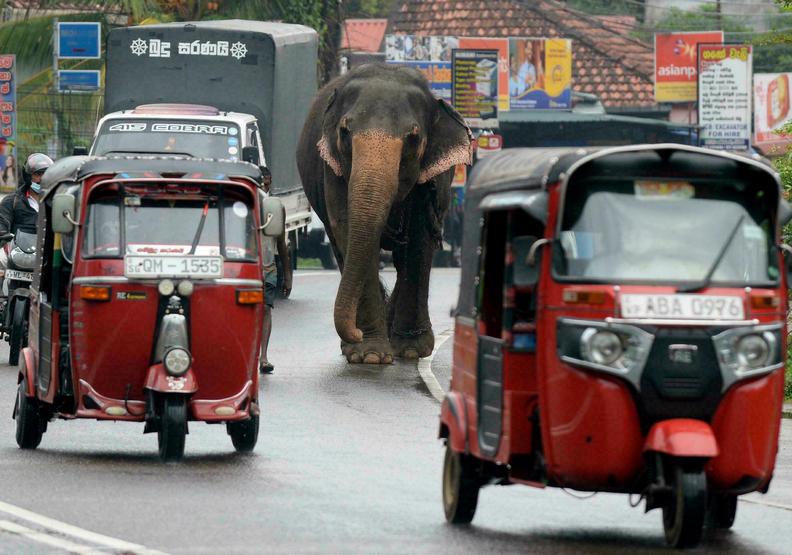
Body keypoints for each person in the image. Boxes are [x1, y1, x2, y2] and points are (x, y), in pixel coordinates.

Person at [259, 167, 291, 374]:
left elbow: (281, 242)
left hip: (267, 267)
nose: (263, 186)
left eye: (266, 183)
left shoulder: (276, 207)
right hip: (243, 266)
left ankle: (263, 357)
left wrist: (287, 275)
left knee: (265, 309)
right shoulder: (240, 202)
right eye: (260, 182)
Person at [0, 153, 53, 245]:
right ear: (28, 176)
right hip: (20, 255)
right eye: (38, 174)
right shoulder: (11, 201)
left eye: (46, 174)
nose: (42, 178)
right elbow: (2, 225)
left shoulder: (57, 201)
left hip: (50, 253)